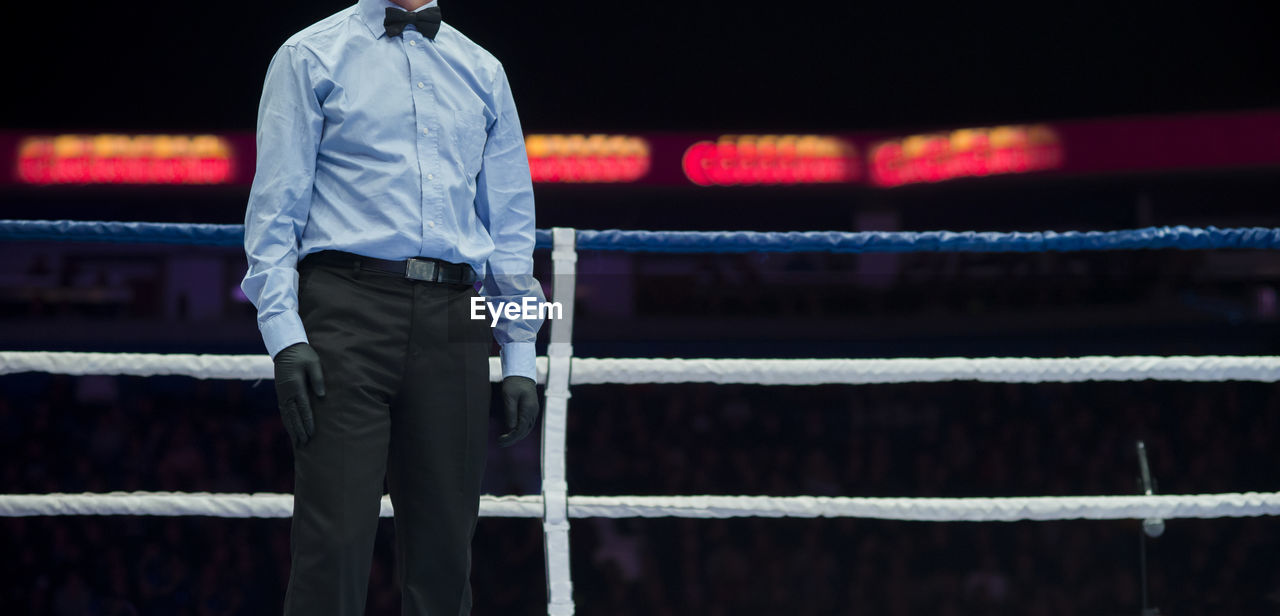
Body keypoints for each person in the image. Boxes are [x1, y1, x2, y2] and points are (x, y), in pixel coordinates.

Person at [239, 0, 546, 613]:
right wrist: (284, 331)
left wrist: (519, 351)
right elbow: (275, 207)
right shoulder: (309, 54)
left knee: (446, 550)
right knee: (334, 540)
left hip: (458, 311)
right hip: (343, 304)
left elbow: (510, 223)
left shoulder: (482, 69)